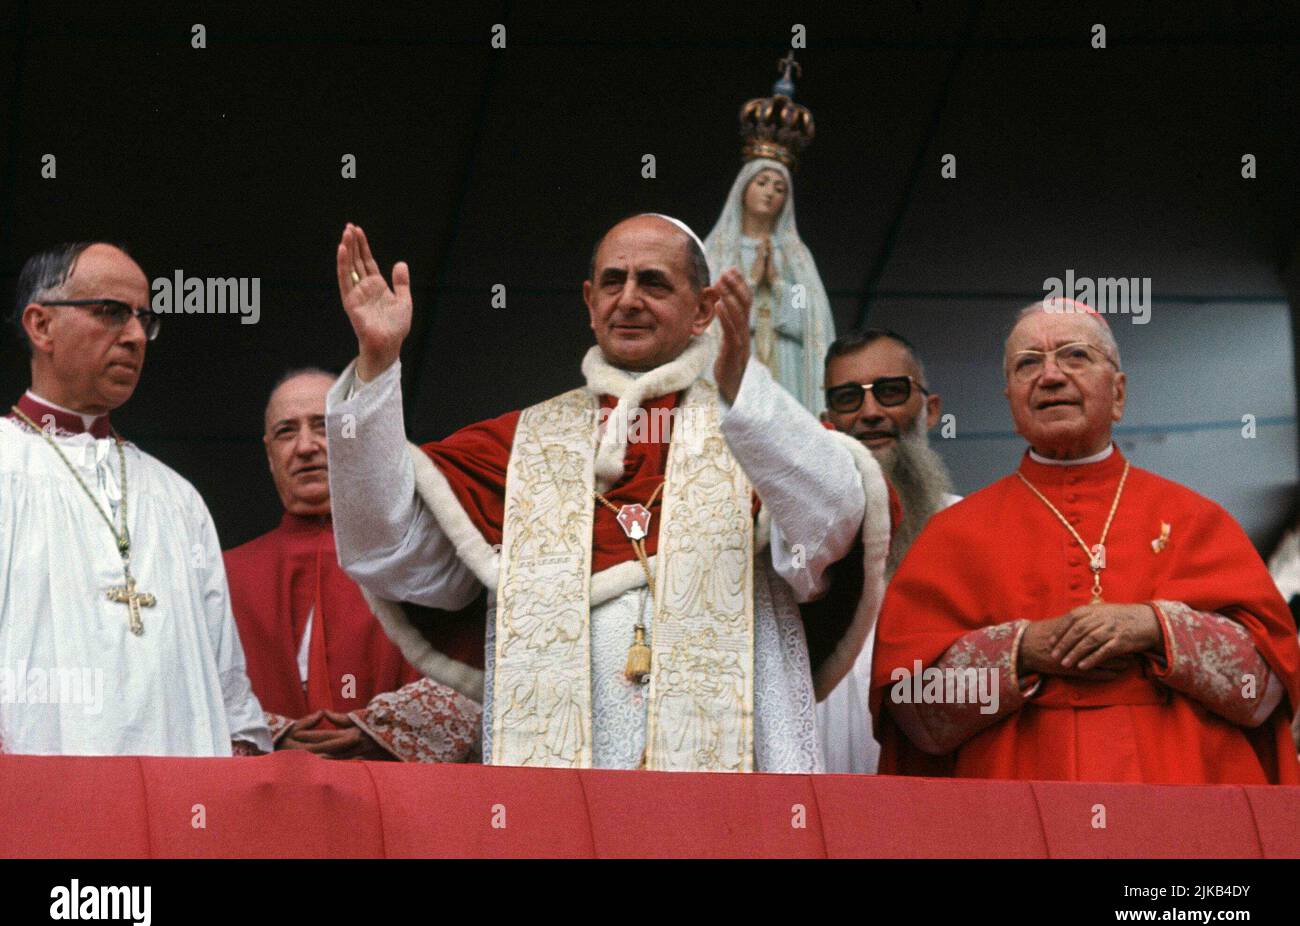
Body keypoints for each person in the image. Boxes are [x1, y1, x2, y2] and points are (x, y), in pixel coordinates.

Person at [323, 215, 892, 771]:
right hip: (559, 791)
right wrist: (378, 364)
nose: (629, 299)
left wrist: (745, 395)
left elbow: (831, 528)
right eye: (613, 282)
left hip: (736, 775)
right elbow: (387, 549)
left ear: (703, 310)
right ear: (589, 301)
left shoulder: (758, 432)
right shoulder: (517, 444)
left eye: (654, 283)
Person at [870, 298, 1300, 783]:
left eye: (1075, 355)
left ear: (1118, 392)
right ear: (1011, 401)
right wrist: (1021, 649)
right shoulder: (952, 536)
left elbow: (1264, 689)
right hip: (1014, 801)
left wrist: (1157, 628)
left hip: (1178, 797)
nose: (1050, 376)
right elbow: (915, 712)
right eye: (1027, 363)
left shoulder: (1198, 520)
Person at [0, 242, 270, 755]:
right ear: (41, 325)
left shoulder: (177, 496)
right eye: (110, 312)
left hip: (177, 790)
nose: (134, 336)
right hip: (35, 788)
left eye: (143, 319)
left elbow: (226, 678)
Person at [224, 369, 481, 762]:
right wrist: (268, 734)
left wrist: (379, 731)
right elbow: (188, 691)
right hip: (260, 789)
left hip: (394, 790)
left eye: (323, 427)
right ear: (269, 454)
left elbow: (475, 677)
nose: (305, 446)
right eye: (286, 432)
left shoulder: (421, 558)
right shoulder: (222, 574)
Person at [813, 329, 960, 773]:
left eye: (890, 391)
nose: (871, 412)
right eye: (848, 399)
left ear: (930, 410)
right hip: (816, 787)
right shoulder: (802, 542)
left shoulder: (972, 531)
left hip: (934, 789)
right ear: (826, 420)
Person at [703, 55, 834, 415]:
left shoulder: (795, 257)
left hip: (785, 372)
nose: (770, 193)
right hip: (730, 370)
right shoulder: (716, 251)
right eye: (762, 182)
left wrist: (777, 283)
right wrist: (748, 282)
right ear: (744, 187)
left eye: (779, 188)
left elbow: (808, 326)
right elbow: (702, 323)